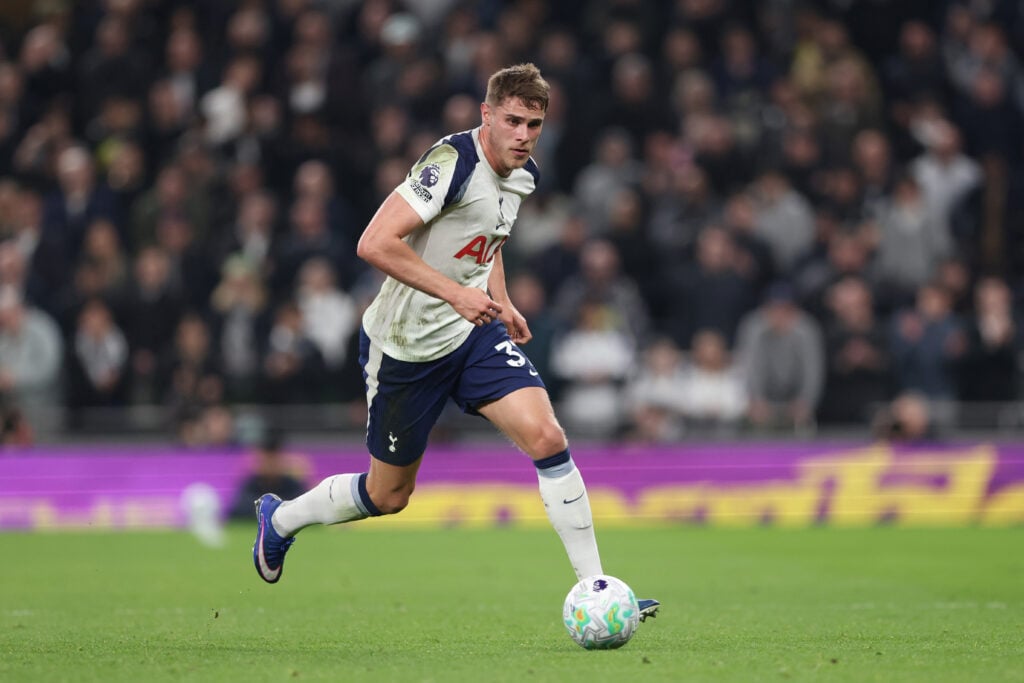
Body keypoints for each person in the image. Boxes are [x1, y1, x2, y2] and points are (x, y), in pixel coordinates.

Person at [251, 63, 658, 621]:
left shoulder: (524, 174)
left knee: (546, 435)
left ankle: (597, 587)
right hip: (405, 347)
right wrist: (456, 294)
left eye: (534, 125)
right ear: (486, 115)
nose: (523, 135)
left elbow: (488, 238)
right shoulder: (452, 164)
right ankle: (280, 519)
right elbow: (374, 243)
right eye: (512, 121)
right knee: (389, 495)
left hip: (472, 336)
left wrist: (500, 298)